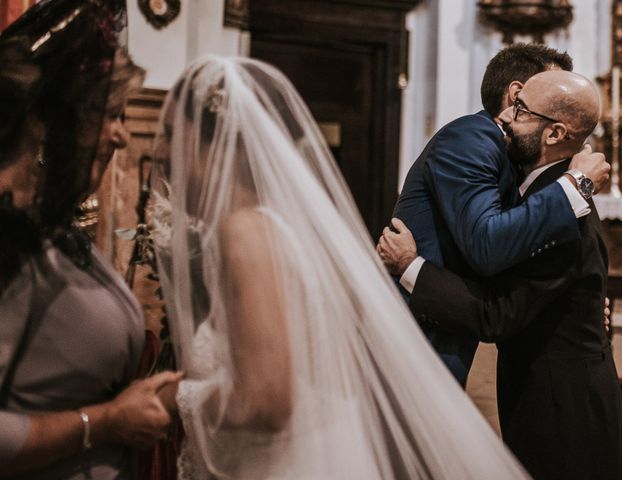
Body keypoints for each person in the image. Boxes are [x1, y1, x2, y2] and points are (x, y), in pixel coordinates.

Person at [150, 55, 533, 479]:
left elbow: (266, 399)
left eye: (170, 133)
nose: (160, 151)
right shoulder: (280, 227)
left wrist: (174, 397)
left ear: (215, 143)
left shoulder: (246, 233)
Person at [380, 70, 622, 480]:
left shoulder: (559, 214)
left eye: (520, 110)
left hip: (562, 405)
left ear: (553, 134)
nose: (506, 118)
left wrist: (410, 267)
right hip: (548, 389)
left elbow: (495, 315)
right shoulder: (539, 197)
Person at [0, 1, 181, 478]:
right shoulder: (7, 234)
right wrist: (103, 424)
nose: (123, 136)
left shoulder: (51, 226)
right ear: (59, 118)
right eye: (111, 114)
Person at [386, 43, 610, 386]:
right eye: (550, 88)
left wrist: (580, 304)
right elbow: (488, 245)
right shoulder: (473, 138)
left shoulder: (513, 153)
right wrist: (575, 183)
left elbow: (526, 244)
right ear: (518, 93)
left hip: (449, 315)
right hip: (418, 325)